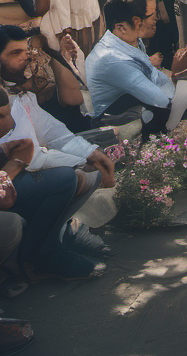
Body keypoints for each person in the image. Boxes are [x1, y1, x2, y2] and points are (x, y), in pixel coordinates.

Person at [0, 81, 112, 280]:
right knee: (64, 179)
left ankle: (53, 238)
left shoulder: (17, 91)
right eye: (15, 53)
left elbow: (50, 131)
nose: (11, 124)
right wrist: (15, 163)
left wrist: (88, 154)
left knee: (86, 171)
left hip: (19, 171)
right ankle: (39, 254)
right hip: (11, 180)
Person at [85, 0, 187, 136]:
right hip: (118, 123)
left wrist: (171, 81)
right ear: (121, 27)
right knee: (185, 93)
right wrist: (176, 74)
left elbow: (156, 77)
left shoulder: (130, 40)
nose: (155, 19)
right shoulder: (111, 59)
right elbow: (161, 100)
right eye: (150, 15)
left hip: (138, 107)